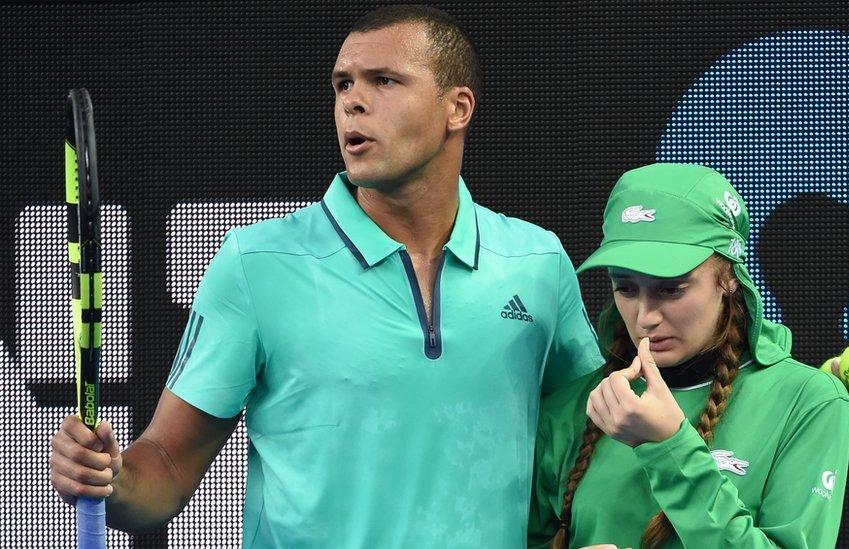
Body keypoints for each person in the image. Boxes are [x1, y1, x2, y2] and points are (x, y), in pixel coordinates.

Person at [48, 6, 604, 547]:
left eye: (383, 80)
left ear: (457, 108)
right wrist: (110, 478)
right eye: (342, 85)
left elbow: (591, 448)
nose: (352, 103)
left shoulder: (538, 264)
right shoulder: (257, 263)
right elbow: (166, 465)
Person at [528, 163, 849, 548]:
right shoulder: (570, 409)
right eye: (626, 289)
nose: (645, 317)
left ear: (729, 278)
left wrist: (669, 445)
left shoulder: (811, 402)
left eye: (671, 289)